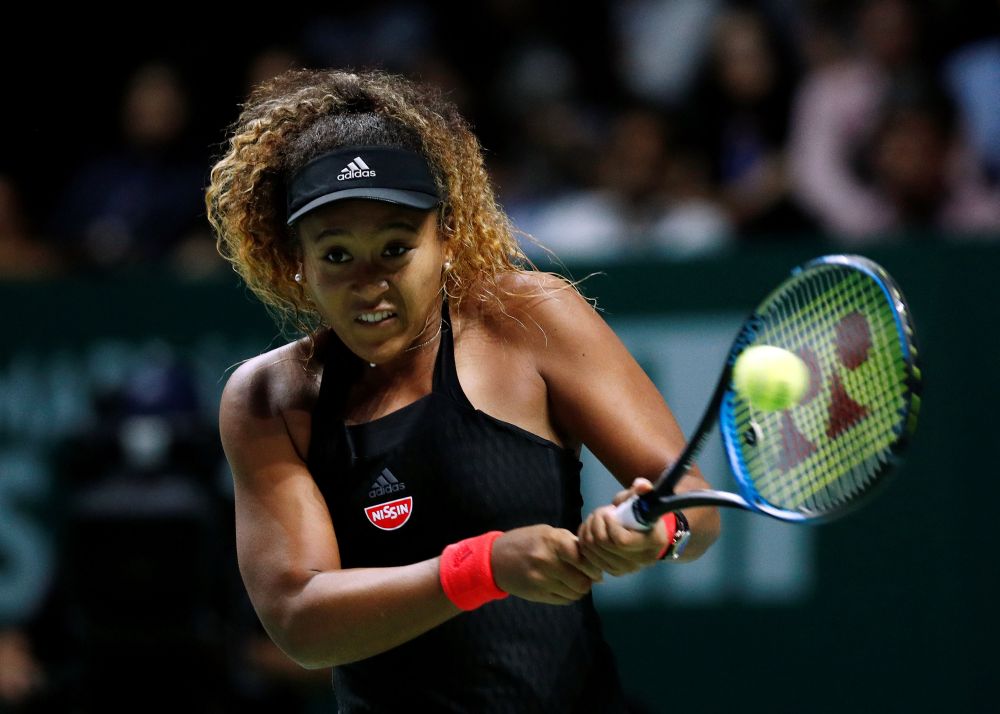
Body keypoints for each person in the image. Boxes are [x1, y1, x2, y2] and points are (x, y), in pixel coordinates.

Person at [205, 68, 721, 713]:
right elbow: (300, 622)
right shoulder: (268, 400)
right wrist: (481, 568)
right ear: (296, 261)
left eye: (396, 249)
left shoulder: (532, 320)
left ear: (446, 237)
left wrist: (661, 530)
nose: (369, 284)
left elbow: (693, 504)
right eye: (337, 255)